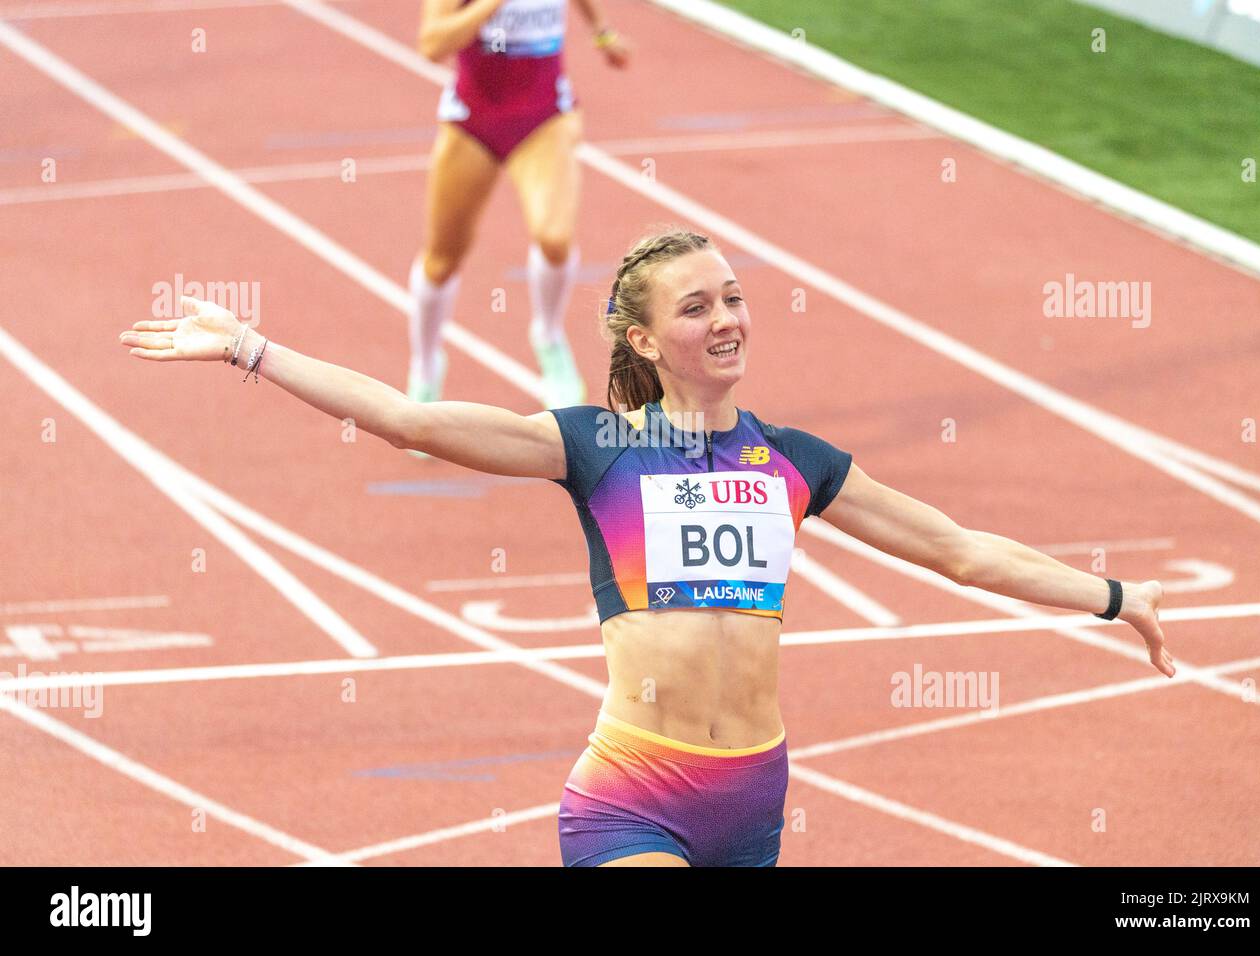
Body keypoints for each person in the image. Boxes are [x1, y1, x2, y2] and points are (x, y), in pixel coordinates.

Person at [117, 227, 1175, 867]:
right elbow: (413, 421)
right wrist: (252, 348)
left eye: (734, 298)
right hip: (631, 789)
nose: (728, 318)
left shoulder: (792, 461)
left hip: (754, 796)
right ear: (640, 339)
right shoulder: (594, 448)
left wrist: (1111, 593)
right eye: (697, 306)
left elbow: (956, 550)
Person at [408, 0, 629, 415]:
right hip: (473, 120)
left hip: (545, 117)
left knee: (555, 237)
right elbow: (431, 44)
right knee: (442, 258)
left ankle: (548, 337)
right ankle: (425, 366)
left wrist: (601, 31)